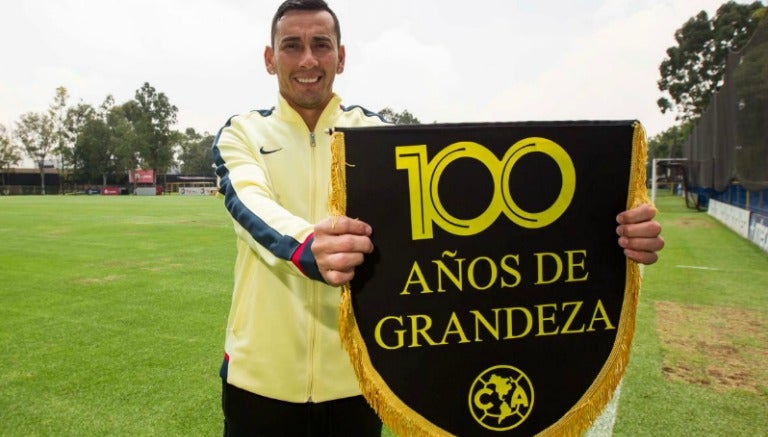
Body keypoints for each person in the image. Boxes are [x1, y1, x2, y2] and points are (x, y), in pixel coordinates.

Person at [212, 0, 665, 435]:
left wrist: (610, 232)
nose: (307, 59)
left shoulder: (380, 139)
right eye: (292, 45)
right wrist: (307, 247)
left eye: (321, 44)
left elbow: (474, 223)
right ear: (270, 59)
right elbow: (251, 204)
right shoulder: (243, 132)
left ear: (341, 57)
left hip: (357, 381)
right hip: (258, 382)